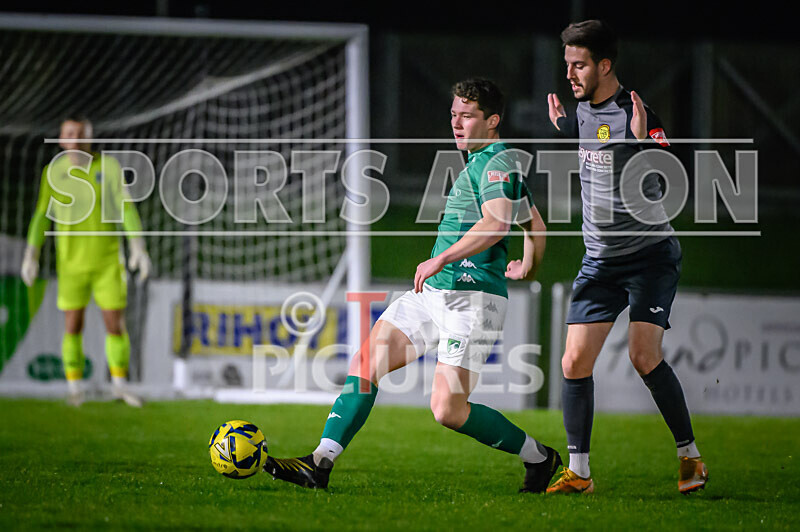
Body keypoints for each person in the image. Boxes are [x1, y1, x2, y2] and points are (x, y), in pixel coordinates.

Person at [264, 78, 559, 492]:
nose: (456, 123)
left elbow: (496, 222)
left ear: (493, 121)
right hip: (434, 293)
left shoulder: (496, 162)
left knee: (448, 410)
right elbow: (535, 224)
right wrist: (527, 264)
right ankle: (320, 462)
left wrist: (443, 256)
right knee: (366, 365)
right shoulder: (491, 164)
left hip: (473, 302)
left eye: (468, 116)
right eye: (454, 113)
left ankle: (540, 457)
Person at [544, 20, 708, 494]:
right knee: (574, 362)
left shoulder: (634, 112)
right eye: (567, 64)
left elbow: (674, 176)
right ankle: (580, 472)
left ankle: (689, 457)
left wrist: (640, 139)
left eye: (580, 65)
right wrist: (562, 130)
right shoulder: (579, 109)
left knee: (642, 356)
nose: (571, 74)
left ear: (605, 65)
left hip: (649, 256)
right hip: (600, 260)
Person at [21, 116, 151, 407]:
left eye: (81, 134)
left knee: (115, 325)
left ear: (89, 138)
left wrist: (138, 248)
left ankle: (120, 386)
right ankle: (75, 389)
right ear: (62, 139)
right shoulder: (52, 172)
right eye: (70, 134)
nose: (76, 140)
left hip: (107, 262)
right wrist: (32, 254)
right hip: (70, 264)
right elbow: (42, 214)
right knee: (72, 326)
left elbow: (126, 209)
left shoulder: (109, 167)